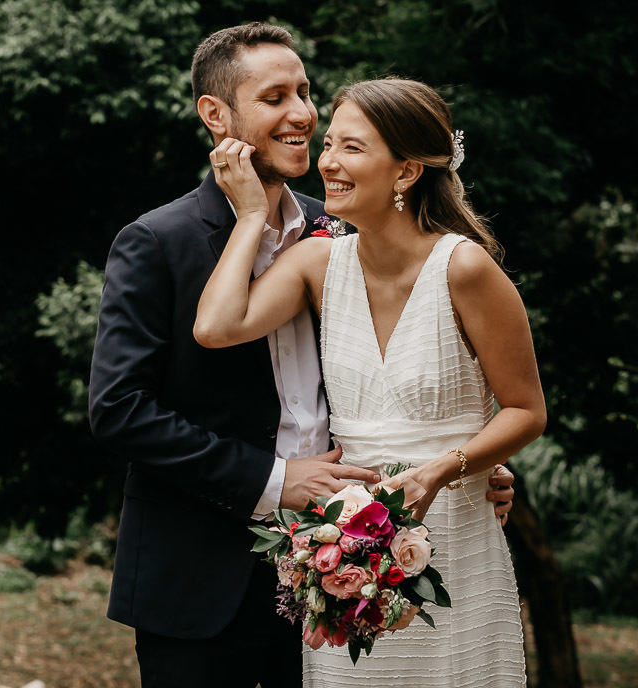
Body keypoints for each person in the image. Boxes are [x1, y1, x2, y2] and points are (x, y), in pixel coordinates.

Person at [89, 23, 515, 688]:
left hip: (355, 573)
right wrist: (274, 480)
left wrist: (465, 460)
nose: (302, 115)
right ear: (216, 115)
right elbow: (119, 411)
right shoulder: (156, 242)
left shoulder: (342, 229)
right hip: (201, 579)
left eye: (306, 92)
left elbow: (412, 366)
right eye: (275, 97)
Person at [193, 77, 545, 687]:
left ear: (406, 171)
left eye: (351, 148)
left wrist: (444, 469)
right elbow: (217, 326)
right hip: (342, 549)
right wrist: (251, 214)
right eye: (329, 144)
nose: (326, 161)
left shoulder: (464, 268)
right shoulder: (317, 263)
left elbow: (525, 411)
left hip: (456, 532)